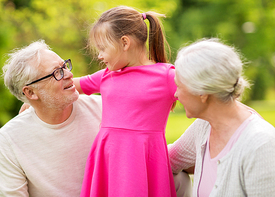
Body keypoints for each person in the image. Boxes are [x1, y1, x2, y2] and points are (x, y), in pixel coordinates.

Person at [74, 6, 178, 197]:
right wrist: (32, 101)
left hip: (145, 163)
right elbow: (70, 86)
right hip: (108, 160)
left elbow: (205, 94)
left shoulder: (167, 76)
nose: (99, 55)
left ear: (124, 42)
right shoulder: (106, 75)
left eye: (103, 48)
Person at [0, 40, 102, 196]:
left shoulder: (104, 110)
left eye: (64, 66)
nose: (70, 74)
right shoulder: (8, 140)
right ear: (30, 93)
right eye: (56, 73)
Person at [168, 38, 275, 196]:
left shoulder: (260, 144)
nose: (176, 94)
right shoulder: (204, 127)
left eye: (179, 86)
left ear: (202, 93)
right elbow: (168, 160)